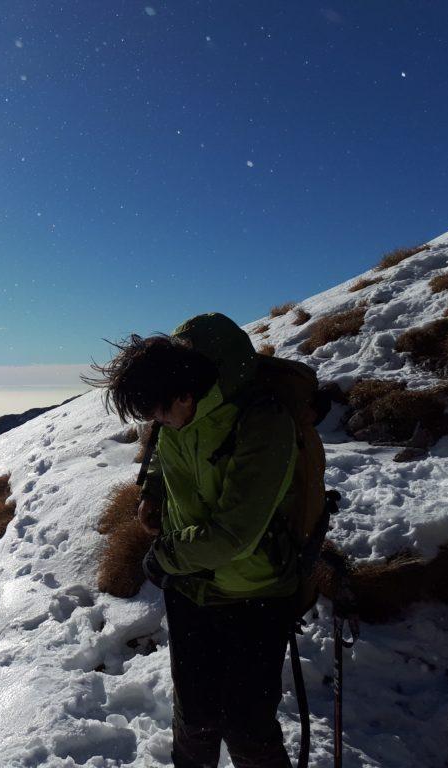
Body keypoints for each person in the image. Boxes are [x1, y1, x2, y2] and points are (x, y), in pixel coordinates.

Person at [88, 312, 299, 768]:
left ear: (186, 395)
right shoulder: (177, 416)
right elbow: (166, 454)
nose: (154, 423)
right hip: (190, 587)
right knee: (194, 719)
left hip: (254, 592)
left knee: (248, 729)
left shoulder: (263, 424)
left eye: (157, 412)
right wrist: (154, 492)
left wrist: (164, 556)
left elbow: (234, 532)